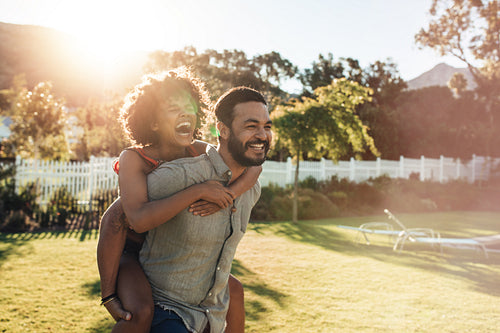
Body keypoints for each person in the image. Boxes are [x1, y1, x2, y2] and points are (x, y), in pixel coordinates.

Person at [97, 69, 260, 333]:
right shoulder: (135, 159)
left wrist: (228, 194)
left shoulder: (199, 151)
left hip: (173, 255)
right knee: (140, 314)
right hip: (133, 253)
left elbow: (252, 167)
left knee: (236, 292)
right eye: (173, 109)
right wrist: (108, 294)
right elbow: (122, 220)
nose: (185, 114)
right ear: (153, 122)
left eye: (189, 107)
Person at [141, 86, 272, 333]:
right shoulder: (180, 175)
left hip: (212, 318)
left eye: (267, 126)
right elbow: (121, 216)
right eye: (251, 126)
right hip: (167, 312)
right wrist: (111, 295)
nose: (262, 135)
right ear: (222, 130)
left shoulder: (251, 190)